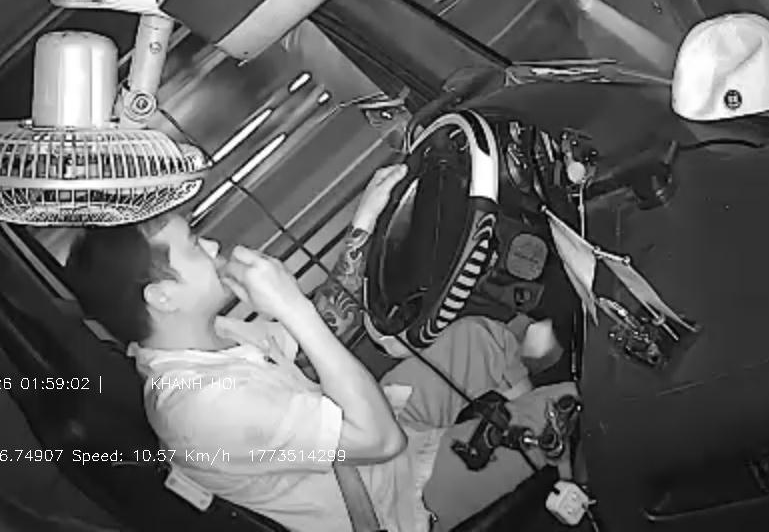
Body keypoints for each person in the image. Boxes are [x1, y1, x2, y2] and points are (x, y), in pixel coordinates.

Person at [63, 165, 576, 532]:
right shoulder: (201, 408)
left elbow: (328, 324)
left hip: (376, 442)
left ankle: (537, 448)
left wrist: (365, 221)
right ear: (162, 296)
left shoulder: (211, 339)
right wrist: (291, 307)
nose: (214, 247)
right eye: (195, 246)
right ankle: (557, 464)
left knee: (477, 337)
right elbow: (381, 441)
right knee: (568, 408)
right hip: (397, 499)